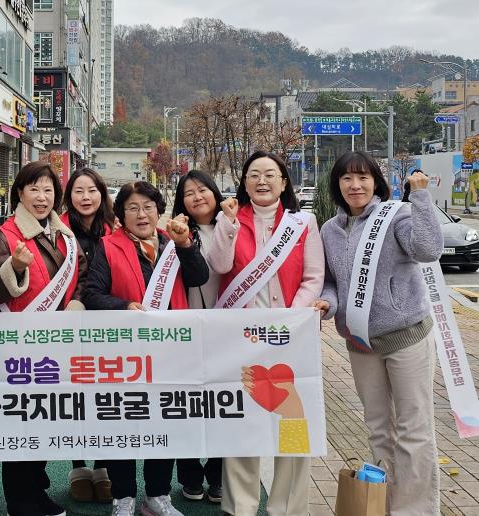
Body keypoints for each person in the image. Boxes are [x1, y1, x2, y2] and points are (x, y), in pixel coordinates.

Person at [314, 151, 442, 514]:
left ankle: (413, 510)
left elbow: (428, 249)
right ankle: (382, 505)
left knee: (414, 429)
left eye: (363, 177)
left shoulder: (395, 216)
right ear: (337, 185)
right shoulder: (329, 230)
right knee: (379, 429)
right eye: (346, 178)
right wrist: (327, 304)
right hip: (360, 344)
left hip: (406, 336)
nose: (355, 185)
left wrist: (420, 197)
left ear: (376, 183)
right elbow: (330, 282)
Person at [84, 180, 211, 516]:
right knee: (122, 422)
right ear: (121, 215)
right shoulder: (107, 246)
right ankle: (123, 497)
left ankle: (157, 495)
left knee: (164, 422)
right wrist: (124, 306)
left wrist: (186, 246)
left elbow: (198, 277)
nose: (141, 215)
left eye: (148, 207)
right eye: (133, 208)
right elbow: (92, 294)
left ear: (158, 211)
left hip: (170, 353)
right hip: (124, 354)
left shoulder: (173, 241)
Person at [211, 151, 324, 516]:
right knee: (242, 423)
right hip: (241, 340)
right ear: (244, 183)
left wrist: (289, 321)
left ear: (283, 182)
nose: (262, 181)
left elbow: (313, 278)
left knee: (293, 421)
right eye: (254, 174)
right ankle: (240, 506)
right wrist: (228, 225)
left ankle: (287, 507)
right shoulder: (229, 219)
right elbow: (220, 265)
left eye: (270, 174)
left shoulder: (303, 223)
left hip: (291, 340)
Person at [0, 161, 87, 516]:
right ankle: (19, 498)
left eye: (48, 190)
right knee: (21, 423)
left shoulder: (64, 235)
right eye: (34, 189)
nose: (42, 198)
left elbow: (83, 274)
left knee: (45, 421)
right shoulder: (6, 236)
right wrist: (15, 267)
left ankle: (37, 490)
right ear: (20, 193)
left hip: (57, 347)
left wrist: (76, 303)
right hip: (20, 349)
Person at [169, 170, 233, 504]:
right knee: (187, 405)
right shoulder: (175, 231)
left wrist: (228, 222)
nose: (197, 197)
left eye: (203, 189)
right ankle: (191, 476)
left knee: (223, 405)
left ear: (214, 192)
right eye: (189, 192)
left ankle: (219, 476)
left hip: (227, 331)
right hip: (186, 331)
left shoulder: (232, 225)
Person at [60, 167, 115, 503]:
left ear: (101, 194)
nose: (85, 197)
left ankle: (103, 466)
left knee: (106, 397)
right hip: (70, 324)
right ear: (69, 196)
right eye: (78, 191)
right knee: (74, 397)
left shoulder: (115, 228)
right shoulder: (57, 230)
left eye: (92, 190)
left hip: (109, 325)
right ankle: (78, 466)